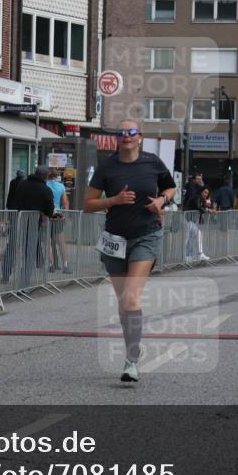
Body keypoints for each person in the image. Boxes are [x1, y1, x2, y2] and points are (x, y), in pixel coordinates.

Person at [84, 120, 176, 383]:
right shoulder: (107, 167)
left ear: (140, 137)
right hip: (114, 239)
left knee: (131, 298)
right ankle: (133, 347)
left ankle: (131, 360)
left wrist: (161, 200)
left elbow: (170, 187)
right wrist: (113, 200)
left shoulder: (152, 162)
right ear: (117, 138)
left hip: (146, 236)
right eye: (121, 132)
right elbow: (87, 204)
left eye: (131, 132)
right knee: (124, 302)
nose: (126, 136)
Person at [46, 169, 72, 274]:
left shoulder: (45, 184)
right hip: (58, 214)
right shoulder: (61, 187)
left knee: (48, 241)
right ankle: (65, 265)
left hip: (47, 214)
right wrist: (65, 215)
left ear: (48, 176)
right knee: (61, 242)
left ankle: (51, 265)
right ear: (56, 177)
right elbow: (65, 202)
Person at [183, 174, 210, 262]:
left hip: (191, 219)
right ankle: (190, 255)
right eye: (205, 192)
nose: (206, 194)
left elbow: (200, 207)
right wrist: (207, 211)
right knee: (193, 235)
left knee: (195, 235)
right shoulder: (196, 196)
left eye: (207, 193)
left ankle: (194, 255)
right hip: (188, 218)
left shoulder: (200, 197)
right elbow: (198, 207)